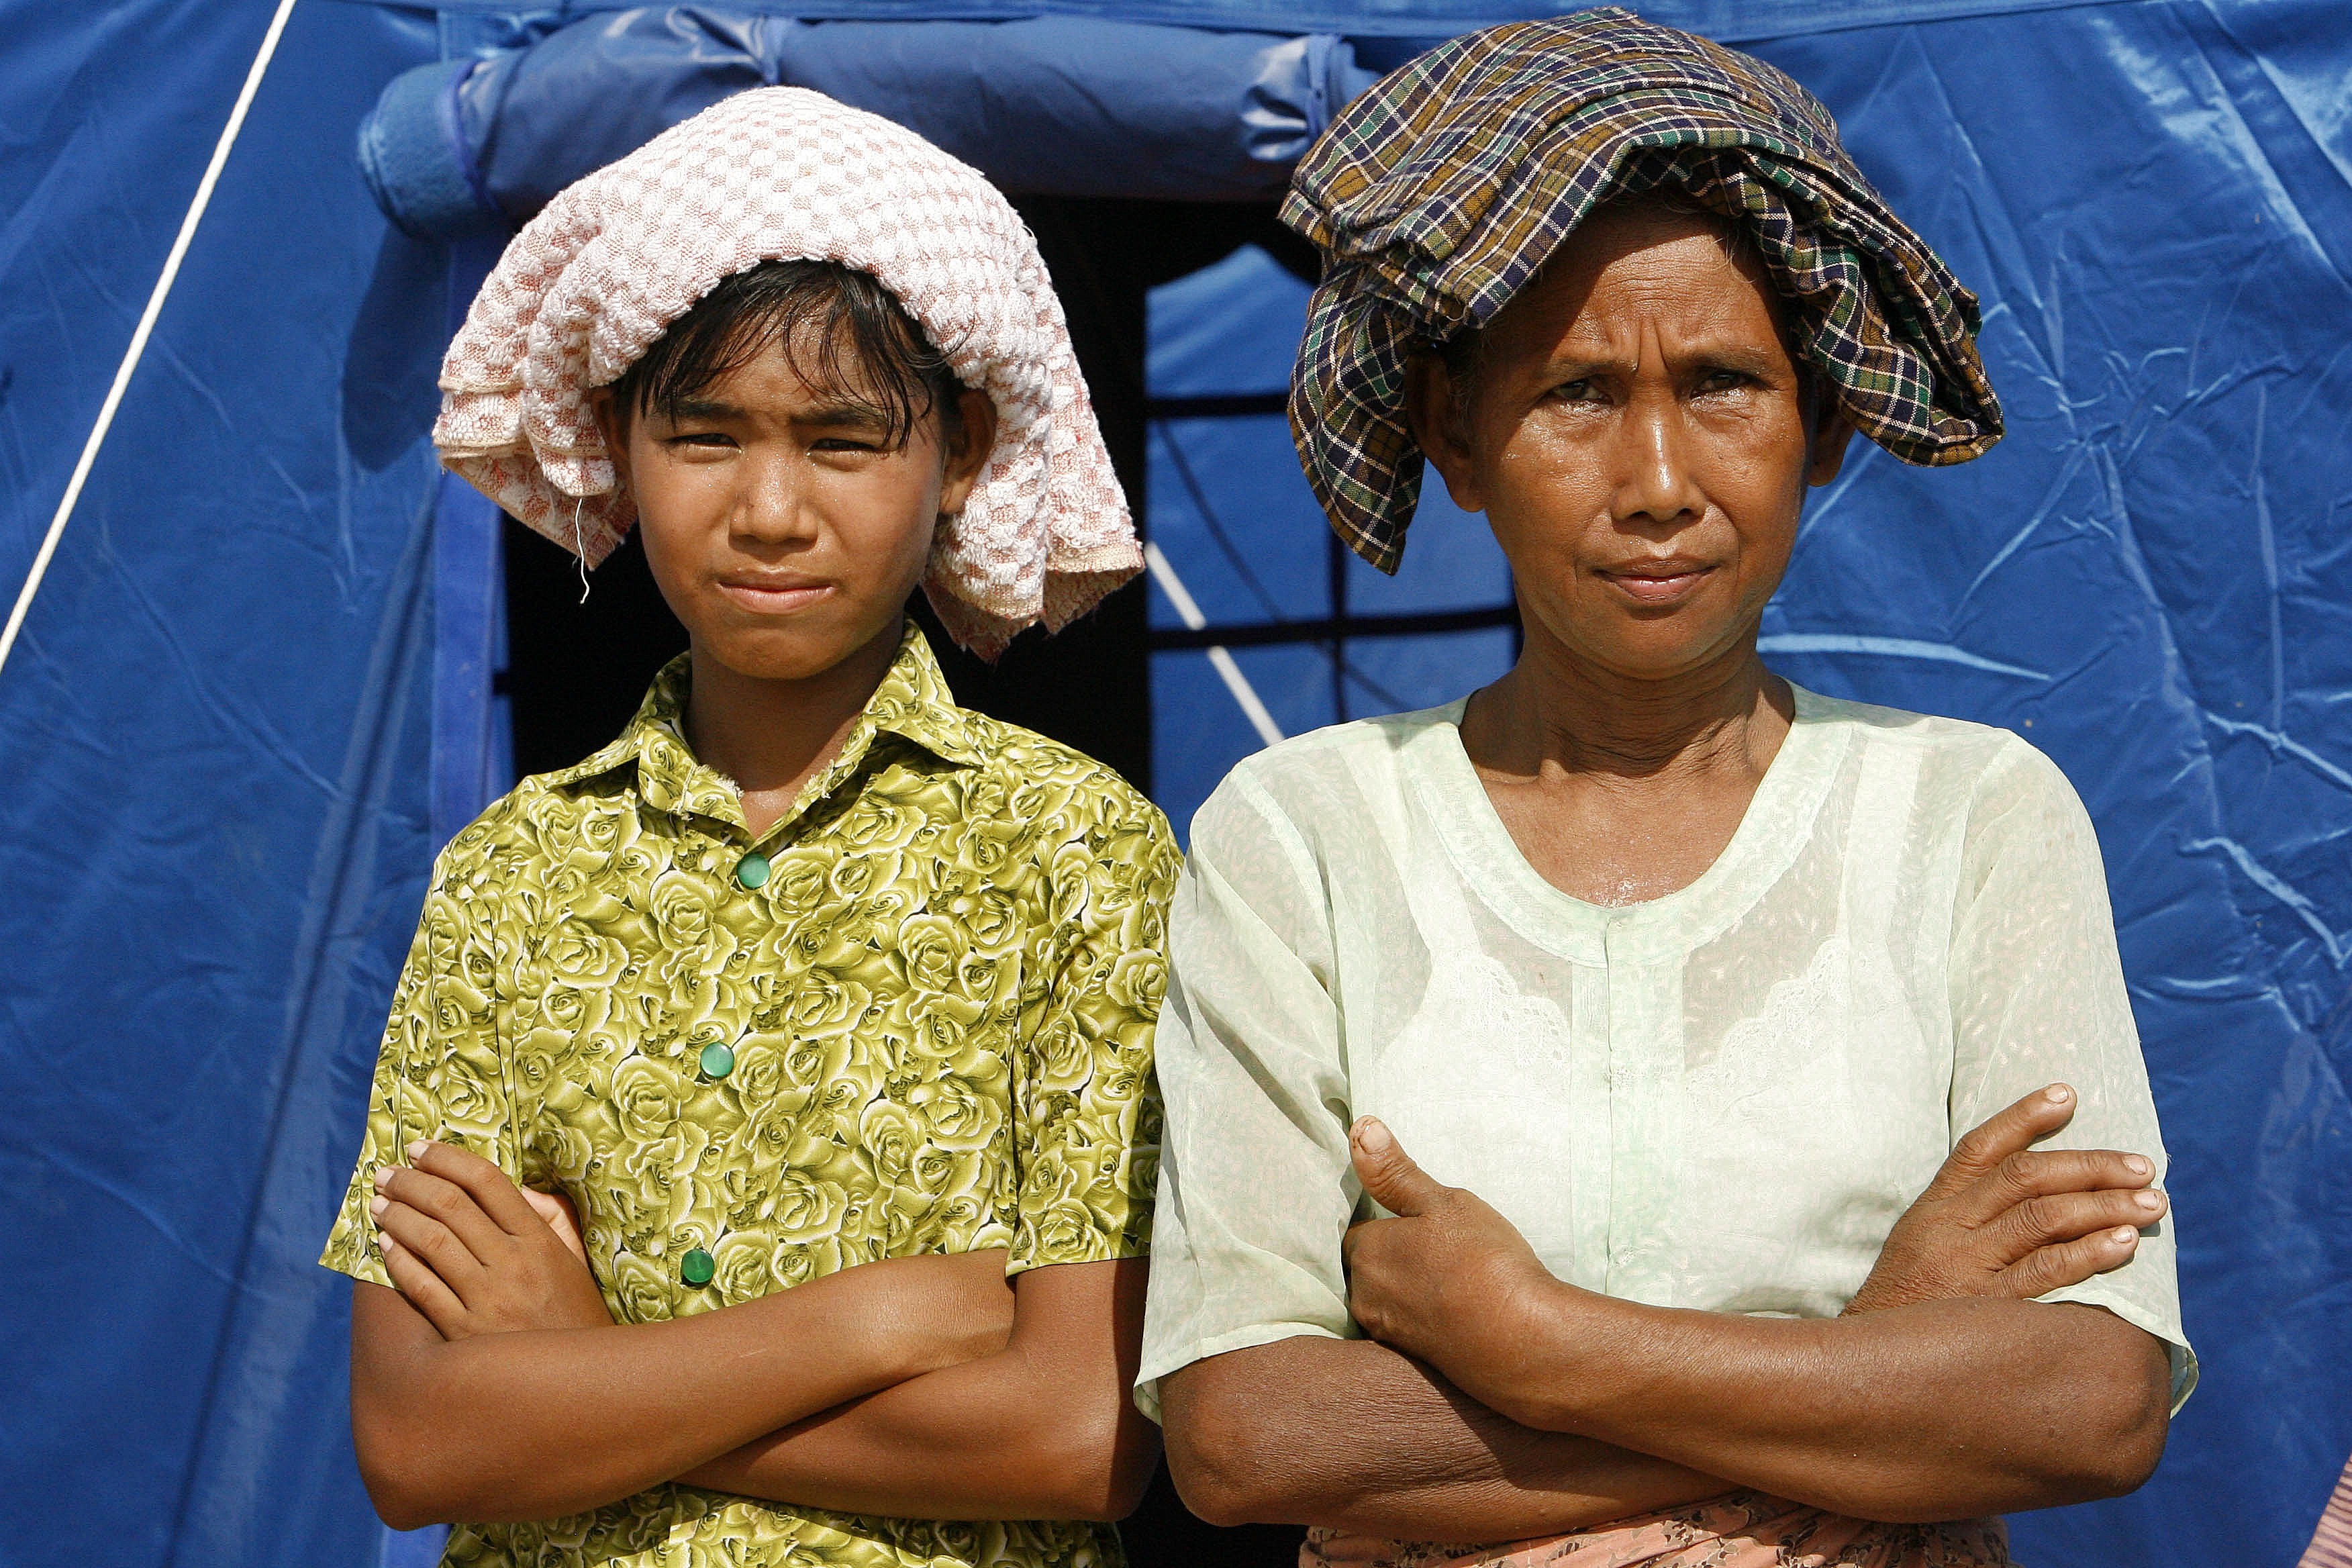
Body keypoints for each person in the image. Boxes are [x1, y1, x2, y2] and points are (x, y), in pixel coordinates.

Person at [1139, 13, 2194, 1566]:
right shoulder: (1304, 834)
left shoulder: (1971, 816)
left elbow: (2093, 1399)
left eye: (1722, 385)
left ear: (1822, 423)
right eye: (1574, 392)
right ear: (1457, 434)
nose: (1657, 480)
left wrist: (1539, 1338)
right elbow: (1249, 1433)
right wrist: (1882, 1347)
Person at [319, 89, 1177, 1568]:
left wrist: (591, 1368)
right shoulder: (516, 875)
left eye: (843, 441)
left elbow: (1084, 1436)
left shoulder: (1077, 857)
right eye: (705, 434)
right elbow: (413, 1439)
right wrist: (874, 1315)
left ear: (961, 455)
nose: (769, 509)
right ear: (614, 440)